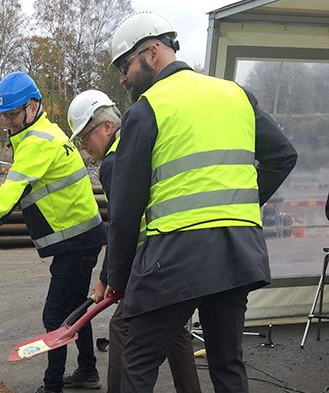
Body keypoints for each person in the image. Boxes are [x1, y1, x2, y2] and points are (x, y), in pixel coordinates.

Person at [103, 12, 297, 392]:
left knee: (136, 363)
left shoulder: (146, 111)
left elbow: (125, 211)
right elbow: (283, 156)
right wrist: (239, 205)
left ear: (153, 52)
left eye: (125, 65)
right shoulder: (235, 94)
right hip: (237, 254)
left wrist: (117, 278)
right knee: (227, 365)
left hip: (174, 258)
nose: (123, 77)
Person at [0, 71, 108, 393]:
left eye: (11, 114)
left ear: (32, 108)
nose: (7, 122)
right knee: (75, 307)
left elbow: (6, 198)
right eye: (3, 116)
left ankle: (52, 386)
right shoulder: (44, 135)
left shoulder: (37, 144)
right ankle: (88, 370)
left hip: (76, 242)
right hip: (80, 239)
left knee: (55, 316)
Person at [68, 89, 201, 393]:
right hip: (177, 250)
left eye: (85, 138)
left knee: (122, 327)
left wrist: (109, 280)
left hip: (148, 259)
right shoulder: (144, 143)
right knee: (177, 331)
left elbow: (121, 224)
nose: (85, 148)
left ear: (106, 126)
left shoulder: (115, 162)